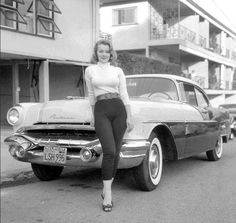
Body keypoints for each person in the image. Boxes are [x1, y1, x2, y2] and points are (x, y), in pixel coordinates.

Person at [85, 39, 133, 212]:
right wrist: (92, 115)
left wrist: (129, 116)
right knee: (109, 151)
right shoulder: (90, 70)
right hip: (101, 111)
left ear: (111, 53)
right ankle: (109, 194)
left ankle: (105, 190)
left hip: (119, 110)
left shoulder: (118, 71)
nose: (104, 54)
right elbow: (91, 95)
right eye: (100, 51)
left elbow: (124, 94)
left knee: (117, 151)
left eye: (107, 51)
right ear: (96, 53)